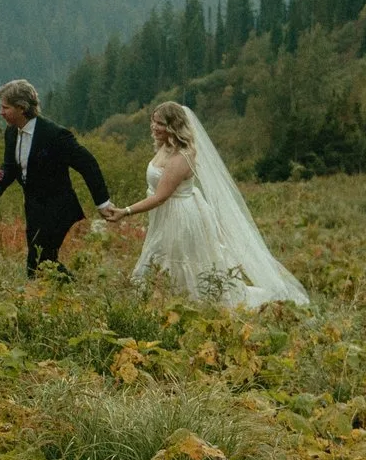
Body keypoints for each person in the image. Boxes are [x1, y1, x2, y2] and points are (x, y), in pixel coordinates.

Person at [100, 101, 309, 308]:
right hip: (165, 214)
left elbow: (160, 196)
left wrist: (125, 212)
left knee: (177, 259)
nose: (154, 127)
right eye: (153, 122)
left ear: (173, 126)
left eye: (160, 123)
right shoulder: (165, 148)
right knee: (162, 256)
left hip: (180, 216)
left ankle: (184, 304)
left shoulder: (181, 156)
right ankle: (163, 303)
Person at [0, 78, 111, 275]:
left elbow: (87, 164)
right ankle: (58, 296)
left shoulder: (55, 135)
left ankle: (68, 292)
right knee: (40, 261)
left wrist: (103, 203)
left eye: (5, 107)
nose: (1, 112)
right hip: (33, 208)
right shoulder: (11, 132)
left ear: (21, 108)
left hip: (58, 207)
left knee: (41, 261)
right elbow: (11, 167)